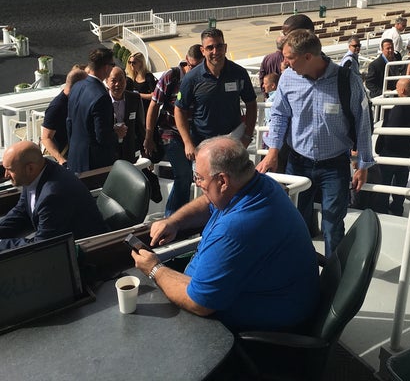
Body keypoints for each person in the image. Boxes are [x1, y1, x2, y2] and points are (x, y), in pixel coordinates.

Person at [131, 137, 319, 332]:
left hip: (261, 326)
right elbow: (209, 202)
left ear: (222, 180)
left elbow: (200, 304)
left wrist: (154, 269)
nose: (198, 184)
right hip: (261, 292)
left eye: (200, 178)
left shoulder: (236, 228)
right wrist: (174, 222)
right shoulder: (258, 185)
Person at [257, 29, 375, 257]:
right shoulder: (288, 79)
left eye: (289, 58)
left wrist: (363, 165)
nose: (285, 63)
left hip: (334, 166)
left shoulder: (347, 80)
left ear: (308, 57)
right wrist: (273, 152)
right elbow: (280, 115)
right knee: (295, 222)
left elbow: (363, 121)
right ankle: (300, 272)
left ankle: (334, 280)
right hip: (298, 163)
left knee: (332, 226)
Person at [0, 142, 108, 251]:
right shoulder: (35, 174)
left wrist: (2, 245)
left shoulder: (53, 196)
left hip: (86, 253)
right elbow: (21, 212)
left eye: (10, 170)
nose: (6, 175)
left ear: (30, 168)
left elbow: (41, 247)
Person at [175, 28, 257, 160]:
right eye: (210, 47)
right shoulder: (191, 78)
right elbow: (179, 109)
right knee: (205, 181)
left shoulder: (239, 73)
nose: (215, 51)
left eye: (219, 46)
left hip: (232, 142)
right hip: (202, 144)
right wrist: (187, 142)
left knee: (234, 180)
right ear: (203, 51)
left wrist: (247, 136)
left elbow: (251, 103)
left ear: (225, 47)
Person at [144, 44, 203, 217]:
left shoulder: (205, 77)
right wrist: (149, 136)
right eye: (191, 66)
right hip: (171, 132)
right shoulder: (171, 77)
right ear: (186, 61)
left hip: (196, 133)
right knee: (184, 175)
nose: (194, 71)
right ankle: (172, 218)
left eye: (198, 67)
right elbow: (154, 105)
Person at [374, 78, 410, 215]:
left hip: (391, 151)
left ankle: (382, 209)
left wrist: (382, 147)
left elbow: (390, 131)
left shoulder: (400, 106)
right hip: (406, 151)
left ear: (402, 90)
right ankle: (397, 208)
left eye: (396, 89)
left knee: (384, 183)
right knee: (400, 184)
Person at [66, 47, 117, 174]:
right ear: (106, 67)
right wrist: (117, 134)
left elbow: (69, 123)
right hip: (94, 165)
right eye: (112, 65)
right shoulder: (102, 96)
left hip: (74, 158)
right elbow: (102, 137)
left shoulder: (76, 86)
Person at [40, 66, 88, 165]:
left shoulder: (76, 100)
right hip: (64, 158)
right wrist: (61, 159)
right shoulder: (56, 107)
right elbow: (46, 138)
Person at [106, 66, 145, 163]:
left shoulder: (134, 98)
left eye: (121, 80)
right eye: (113, 81)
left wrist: (144, 151)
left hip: (129, 151)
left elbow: (139, 126)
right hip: (109, 152)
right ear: (107, 82)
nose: (117, 84)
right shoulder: (102, 100)